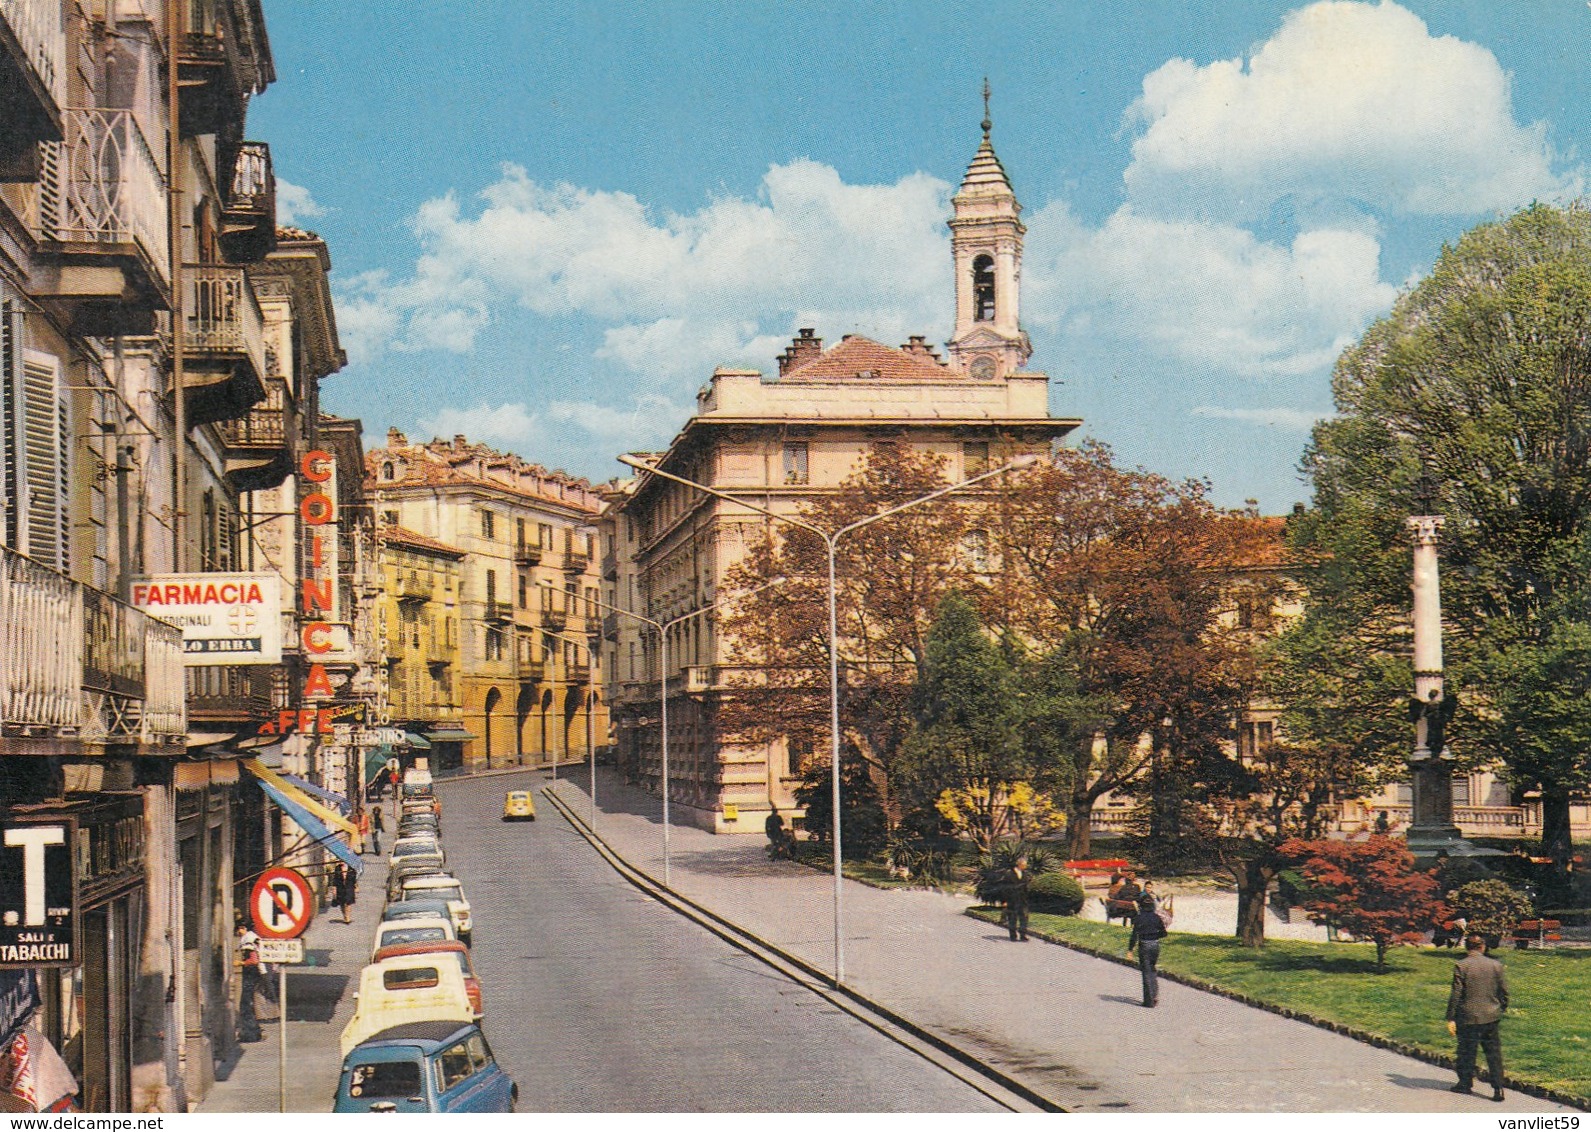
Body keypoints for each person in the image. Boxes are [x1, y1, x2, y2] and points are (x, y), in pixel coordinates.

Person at [1447, 933, 1508, 1101]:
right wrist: (1501, 1008)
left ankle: (1465, 1084)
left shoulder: (1461, 965)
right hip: (1491, 1016)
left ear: (1467, 947)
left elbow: (1456, 994)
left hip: (1467, 1016)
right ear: (1483, 947)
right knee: (1493, 1053)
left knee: (1466, 1051)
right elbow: (1503, 991)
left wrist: (1451, 1017)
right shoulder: (1496, 965)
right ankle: (1498, 1089)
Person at [1126, 892, 1168, 1007]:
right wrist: (1154, 935)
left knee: (1146, 971)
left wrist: (1130, 950)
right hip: (1155, 945)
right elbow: (1164, 933)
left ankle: (1148, 1000)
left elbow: (1134, 935)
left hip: (1144, 944)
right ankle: (1154, 995)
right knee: (1153, 969)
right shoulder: (1156, 917)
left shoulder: (1139, 918)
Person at [1000, 856, 1031, 942]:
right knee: (1012, 918)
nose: (1025, 866)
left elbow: (1026, 887)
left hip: (1022, 899)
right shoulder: (1009, 874)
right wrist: (1004, 900)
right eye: (1024, 865)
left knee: (1024, 918)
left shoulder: (1025, 874)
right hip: (1012, 899)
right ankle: (1013, 935)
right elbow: (1004, 888)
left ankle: (1023, 935)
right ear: (1019, 864)